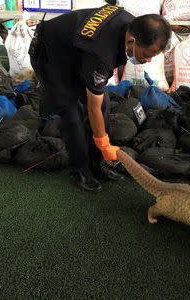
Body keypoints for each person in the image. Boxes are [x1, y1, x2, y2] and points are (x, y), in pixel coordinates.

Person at [29, 4, 171, 192]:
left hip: (78, 53)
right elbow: (92, 107)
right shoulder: (101, 53)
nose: (148, 60)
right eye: (147, 55)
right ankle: (80, 170)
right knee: (72, 114)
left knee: (104, 103)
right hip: (52, 54)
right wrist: (104, 143)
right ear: (131, 42)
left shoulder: (131, 25)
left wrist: (102, 144)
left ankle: (98, 163)